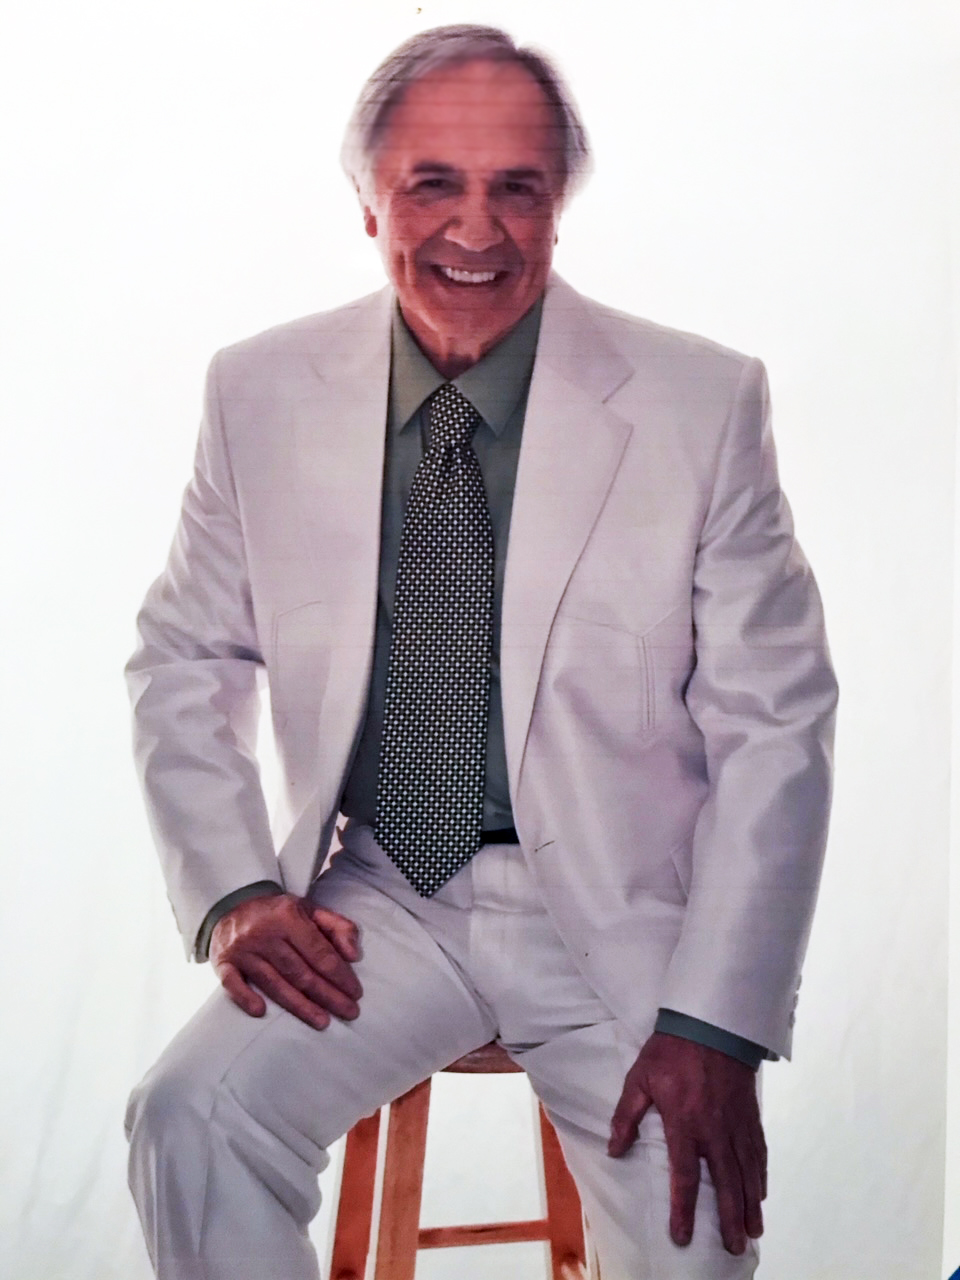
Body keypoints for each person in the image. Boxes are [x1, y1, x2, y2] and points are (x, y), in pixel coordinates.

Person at [124, 23, 837, 1280]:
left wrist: (717, 1022)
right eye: (432, 184)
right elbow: (184, 655)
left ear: (560, 204)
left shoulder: (701, 402)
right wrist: (235, 889)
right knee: (189, 1120)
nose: (476, 229)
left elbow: (777, 723)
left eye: (518, 187)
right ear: (368, 202)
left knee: (694, 1251)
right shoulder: (258, 390)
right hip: (384, 897)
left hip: (628, 920)